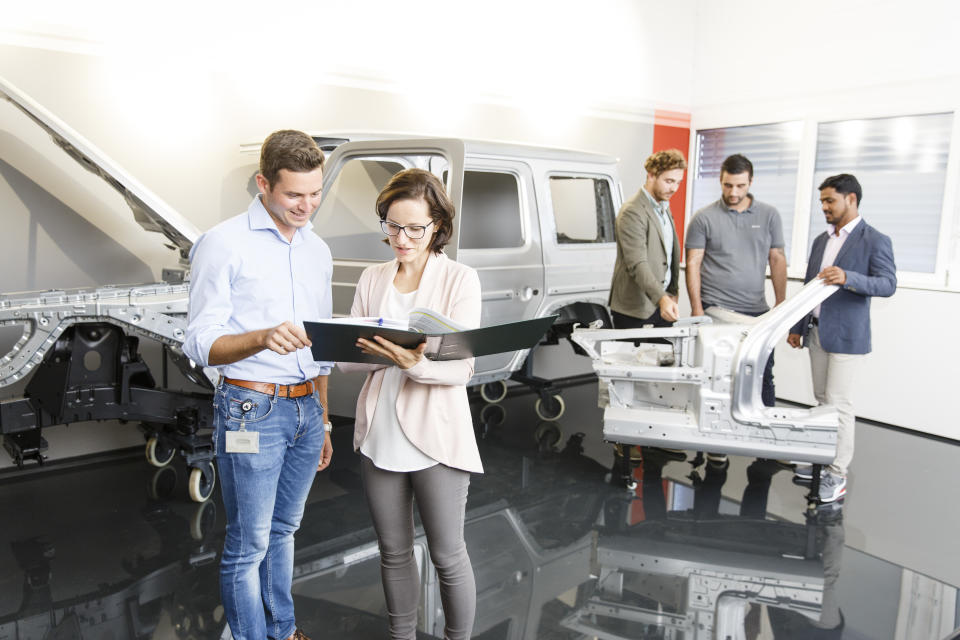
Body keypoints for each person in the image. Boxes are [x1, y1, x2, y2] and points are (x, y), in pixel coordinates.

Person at [183, 130, 334, 640]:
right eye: (294, 194)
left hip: (306, 410)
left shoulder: (318, 249)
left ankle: (283, 631)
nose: (306, 206)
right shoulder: (222, 243)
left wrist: (325, 419)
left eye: (315, 193)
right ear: (263, 183)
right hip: (250, 409)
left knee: (284, 532)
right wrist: (263, 338)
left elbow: (322, 349)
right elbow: (201, 342)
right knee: (247, 545)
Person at [338, 168, 482, 640]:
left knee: (447, 553)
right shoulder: (372, 277)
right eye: (392, 226)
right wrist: (361, 352)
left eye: (414, 228)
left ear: (437, 225)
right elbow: (349, 362)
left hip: (437, 433)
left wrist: (412, 364)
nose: (401, 238)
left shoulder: (460, 279)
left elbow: (461, 370)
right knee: (393, 552)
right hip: (380, 429)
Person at [787, 174, 896, 503]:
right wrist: (797, 326)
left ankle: (837, 472)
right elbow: (809, 286)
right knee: (821, 399)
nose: (824, 207)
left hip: (848, 335)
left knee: (839, 402)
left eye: (830, 200)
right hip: (817, 331)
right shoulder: (822, 240)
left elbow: (888, 284)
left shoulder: (875, 240)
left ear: (851, 199)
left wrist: (849, 278)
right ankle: (821, 458)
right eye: (822, 201)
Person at [685, 153, 787, 406]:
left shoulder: (769, 215)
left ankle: (764, 435)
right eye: (727, 185)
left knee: (762, 376)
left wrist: (781, 304)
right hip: (717, 311)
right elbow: (693, 263)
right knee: (719, 377)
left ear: (751, 182)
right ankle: (717, 439)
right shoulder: (703, 218)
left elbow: (777, 259)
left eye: (740, 186)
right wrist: (698, 310)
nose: (733, 192)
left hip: (757, 313)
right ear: (720, 181)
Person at [608, 149, 686, 329]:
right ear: (651, 175)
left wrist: (672, 291)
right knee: (634, 357)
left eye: (678, 182)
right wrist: (662, 298)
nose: (674, 188)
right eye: (669, 181)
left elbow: (669, 253)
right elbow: (637, 263)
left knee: (666, 357)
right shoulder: (632, 211)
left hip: (661, 304)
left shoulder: (663, 207)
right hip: (635, 309)